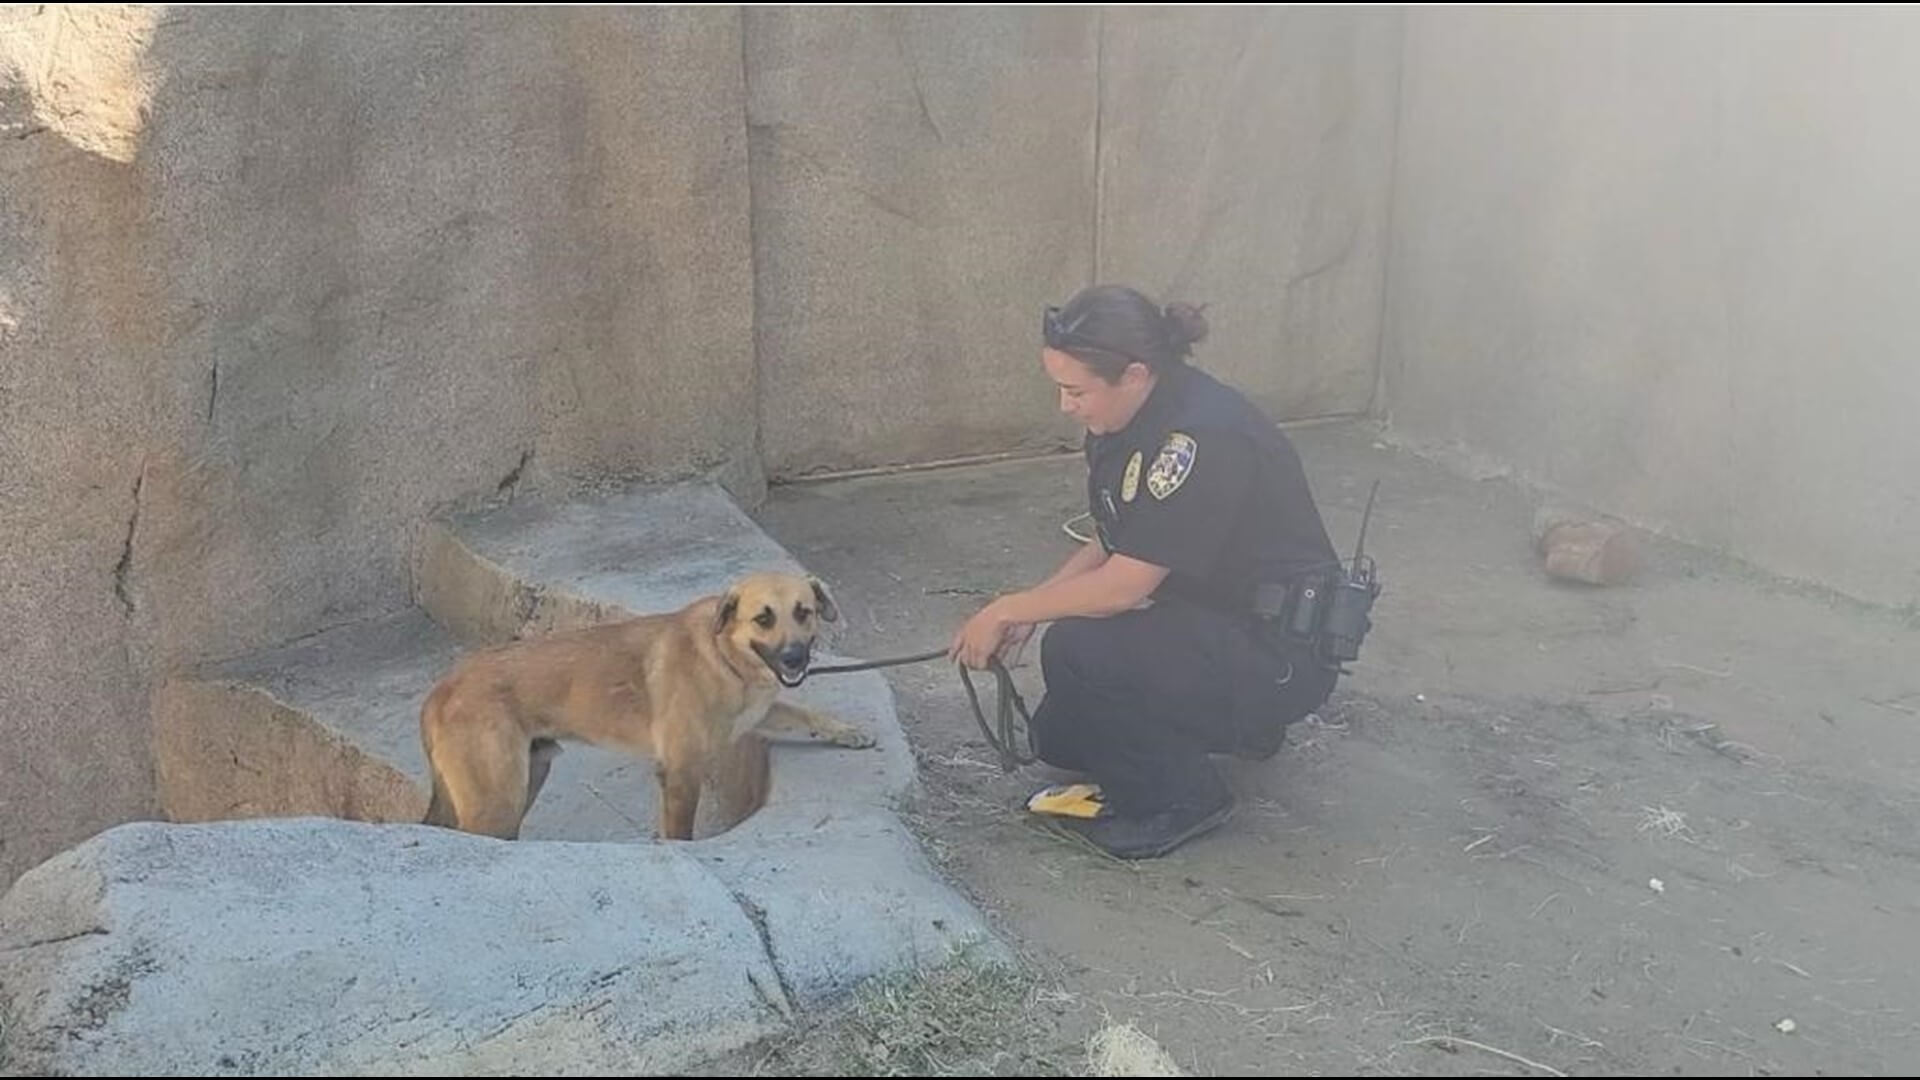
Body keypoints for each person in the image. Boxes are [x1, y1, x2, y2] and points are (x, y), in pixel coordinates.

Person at [948, 283, 1347, 860]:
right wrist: (1036, 603)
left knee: (1080, 651)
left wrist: (1011, 609)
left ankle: (1183, 799)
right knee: (1062, 733)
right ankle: (1234, 730)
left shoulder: (1202, 438)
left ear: (1133, 375)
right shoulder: (1132, 419)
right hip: (1220, 619)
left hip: (1279, 654)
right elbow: (1115, 540)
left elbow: (1124, 587)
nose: (1067, 406)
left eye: (1076, 391)